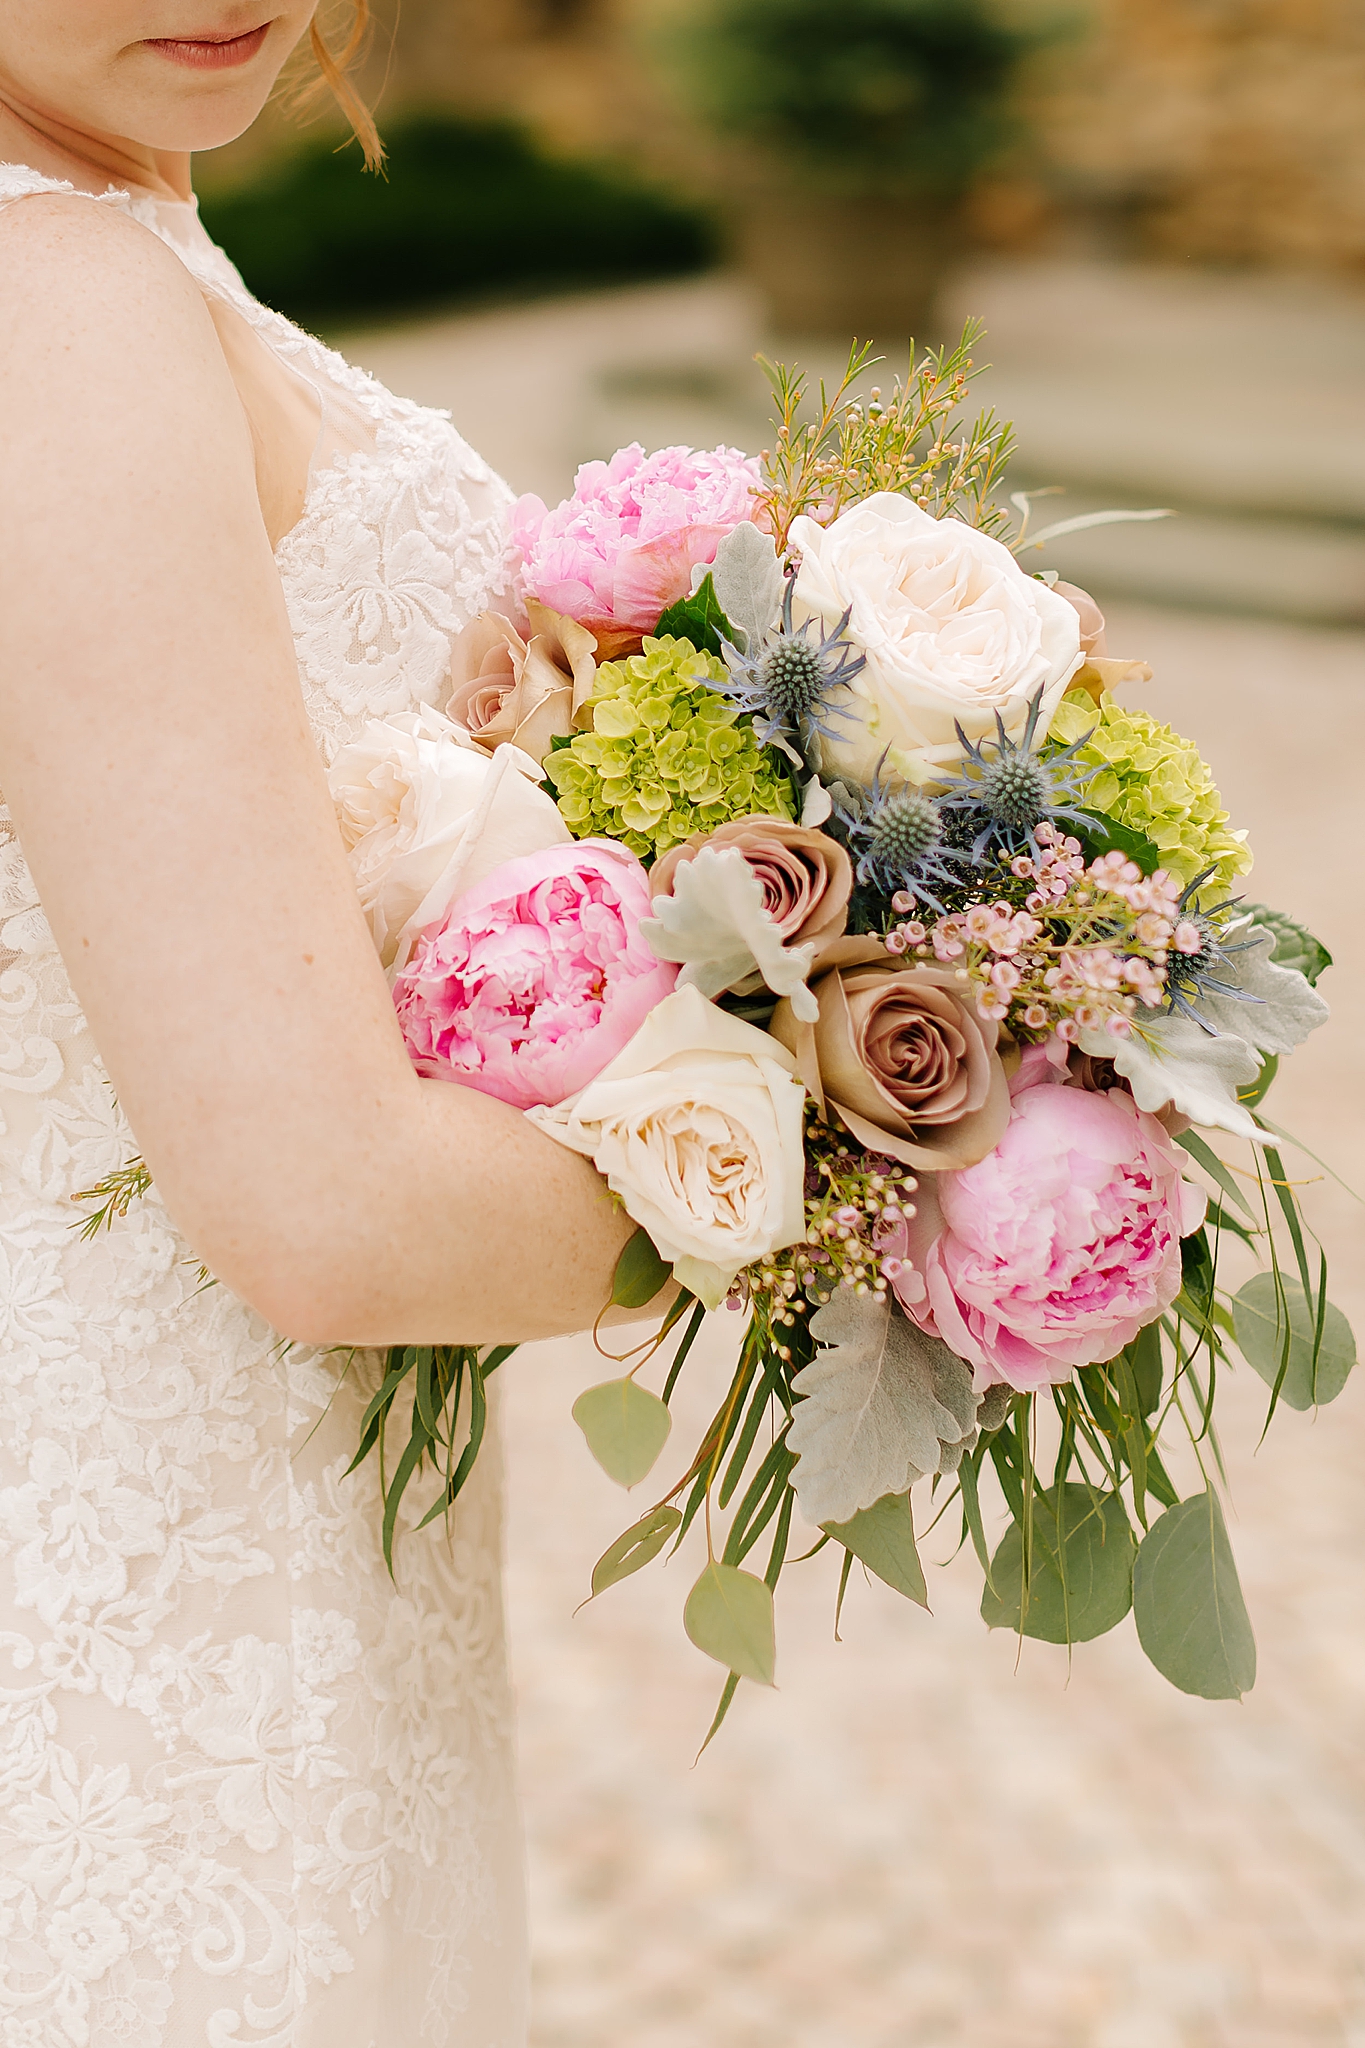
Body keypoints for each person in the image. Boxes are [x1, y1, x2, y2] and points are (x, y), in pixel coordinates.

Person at [0, 8, 642, 2041]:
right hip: (159, 1605)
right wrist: (874, 1162)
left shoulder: (113, 230)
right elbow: (327, 1208)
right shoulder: (57, 305)